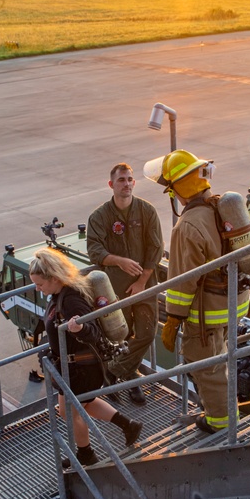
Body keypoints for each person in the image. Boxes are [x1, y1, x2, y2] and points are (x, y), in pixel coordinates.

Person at [144, 150, 250, 434]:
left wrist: (173, 320)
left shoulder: (188, 225)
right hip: (233, 304)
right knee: (220, 359)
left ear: (177, 191)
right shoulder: (221, 209)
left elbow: (182, 281)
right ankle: (223, 412)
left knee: (207, 367)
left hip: (207, 313)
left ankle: (221, 424)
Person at [29, 248, 143, 467]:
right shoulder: (58, 294)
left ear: (54, 278)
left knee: (70, 412)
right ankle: (128, 425)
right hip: (72, 367)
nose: (37, 288)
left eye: (40, 284)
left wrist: (79, 328)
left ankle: (86, 455)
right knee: (82, 405)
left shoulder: (71, 300)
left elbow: (92, 331)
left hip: (81, 368)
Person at [87, 162, 165, 405]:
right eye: (121, 180)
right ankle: (130, 378)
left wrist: (142, 281)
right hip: (114, 289)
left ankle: (111, 372)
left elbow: (156, 247)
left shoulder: (146, 211)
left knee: (146, 333)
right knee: (119, 336)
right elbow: (94, 249)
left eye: (130, 179)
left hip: (144, 286)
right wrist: (118, 261)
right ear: (112, 185)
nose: (127, 184)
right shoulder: (100, 216)